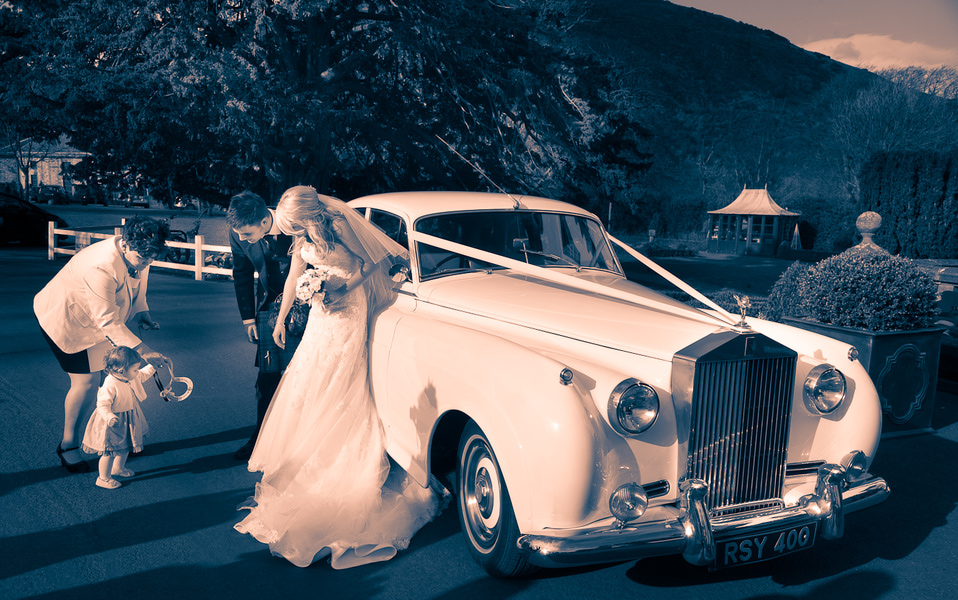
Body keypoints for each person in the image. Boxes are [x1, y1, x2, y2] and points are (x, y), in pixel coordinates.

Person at [234, 185, 440, 569]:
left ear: (307, 215)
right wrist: (280, 320)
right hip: (321, 314)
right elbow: (295, 275)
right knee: (311, 379)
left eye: (294, 225)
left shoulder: (340, 226)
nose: (290, 231)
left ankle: (340, 457)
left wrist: (343, 287)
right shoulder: (302, 234)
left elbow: (373, 263)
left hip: (349, 307)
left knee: (341, 380)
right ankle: (308, 454)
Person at [34, 216, 170, 473]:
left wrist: (142, 310)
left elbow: (138, 285)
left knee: (111, 380)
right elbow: (107, 321)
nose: (147, 263)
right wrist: (144, 351)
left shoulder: (139, 250)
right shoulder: (102, 266)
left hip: (99, 323)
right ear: (126, 244)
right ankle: (68, 445)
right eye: (144, 258)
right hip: (68, 321)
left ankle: (112, 441)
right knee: (86, 383)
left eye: (152, 257)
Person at [226, 191, 295, 461]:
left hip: (308, 308)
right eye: (239, 234)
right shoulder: (238, 232)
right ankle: (261, 439)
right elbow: (242, 272)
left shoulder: (296, 225)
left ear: (265, 221)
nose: (242, 239)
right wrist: (248, 318)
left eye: (247, 233)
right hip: (267, 310)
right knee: (267, 378)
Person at [80, 346, 152, 489]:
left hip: (127, 417)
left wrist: (154, 366)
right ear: (121, 370)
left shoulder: (129, 376)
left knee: (125, 446)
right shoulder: (110, 384)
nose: (137, 372)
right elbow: (102, 404)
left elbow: (142, 375)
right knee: (110, 451)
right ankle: (103, 478)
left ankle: (118, 468)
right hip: (112, 422)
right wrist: (109, 417)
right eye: (135, 369)